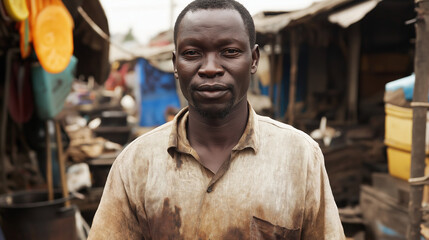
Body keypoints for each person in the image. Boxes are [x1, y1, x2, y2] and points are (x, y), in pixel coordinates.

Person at [88, 0, 345, 239]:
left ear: (253, 60)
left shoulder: (300, 156)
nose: (210, 68)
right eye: (192, 53)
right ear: (176, 64)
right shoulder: (135, 163)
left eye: (229, 51)